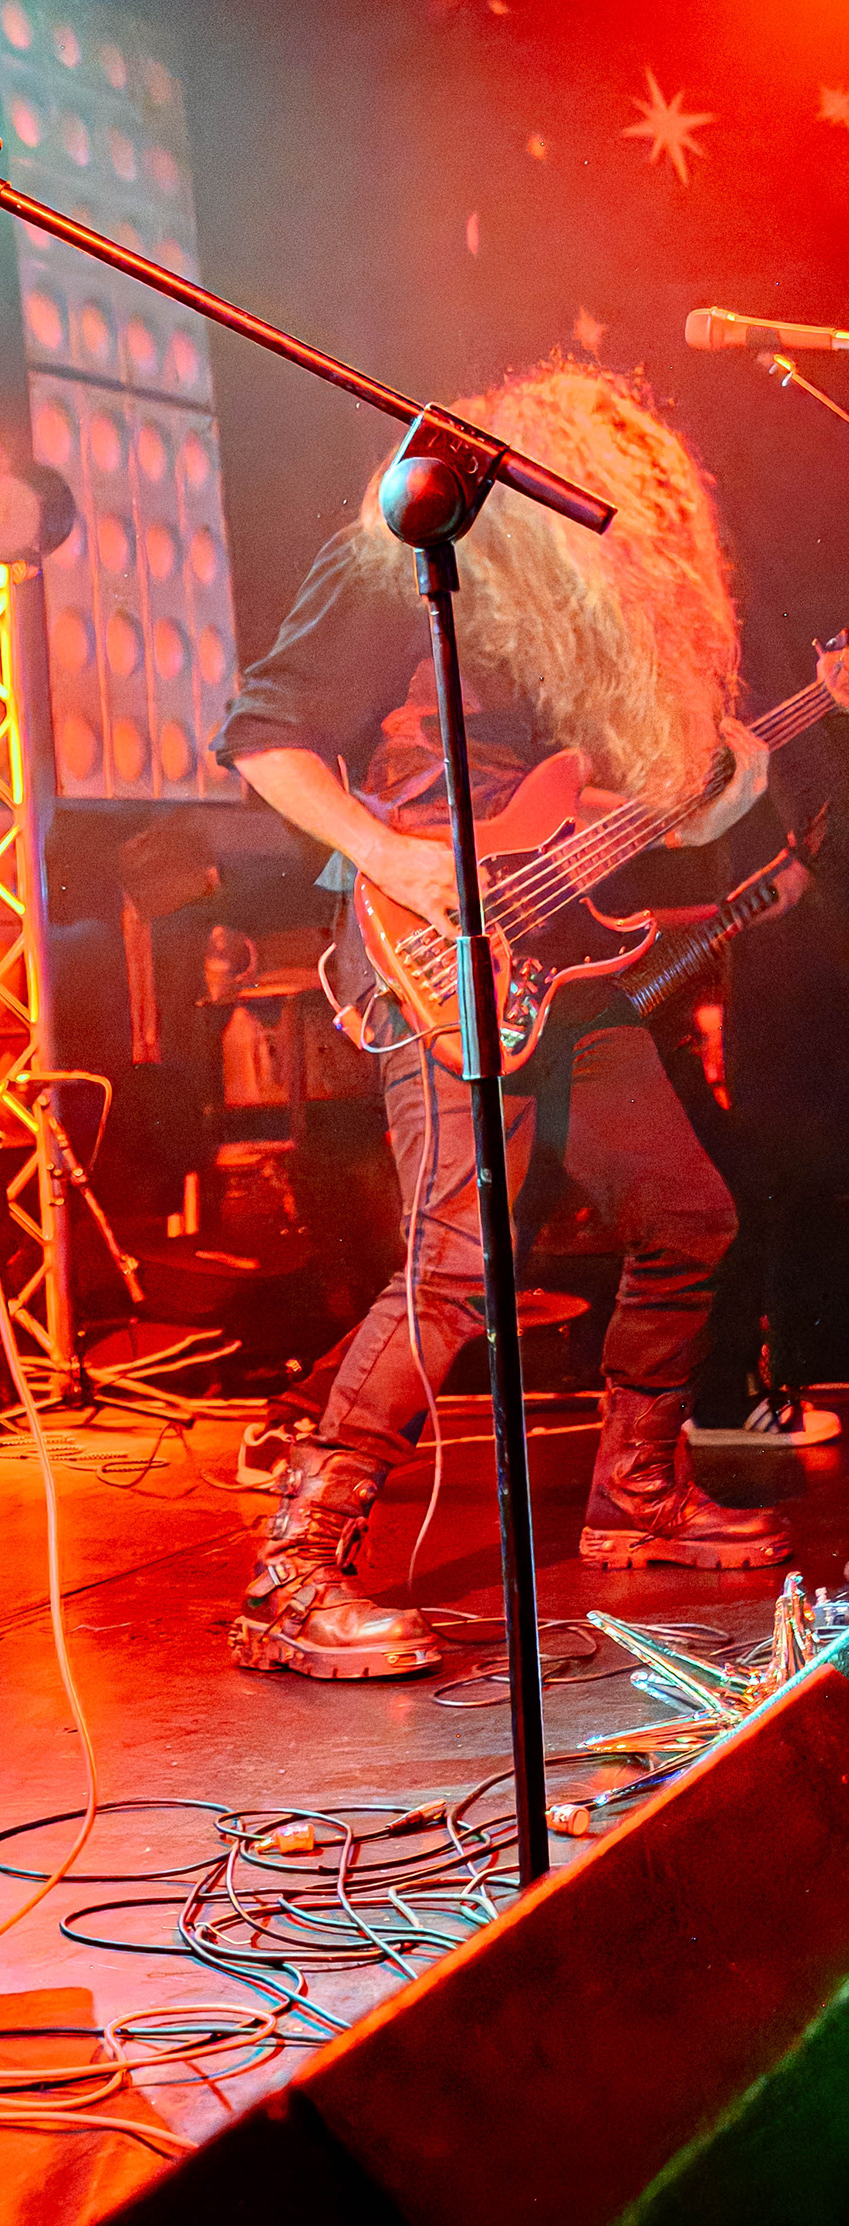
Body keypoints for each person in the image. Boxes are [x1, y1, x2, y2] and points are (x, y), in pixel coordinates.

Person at [213, 362, 794, 1682]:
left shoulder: (563, 638)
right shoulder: (399, 561)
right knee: (456, 1260)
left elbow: (579, 810)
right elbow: (261, 735)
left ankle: (637, 1495)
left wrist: (711, 795)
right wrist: (394, 857)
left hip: (556, 956)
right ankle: (292, 1576)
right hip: (431, 942)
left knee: (688, 1211)